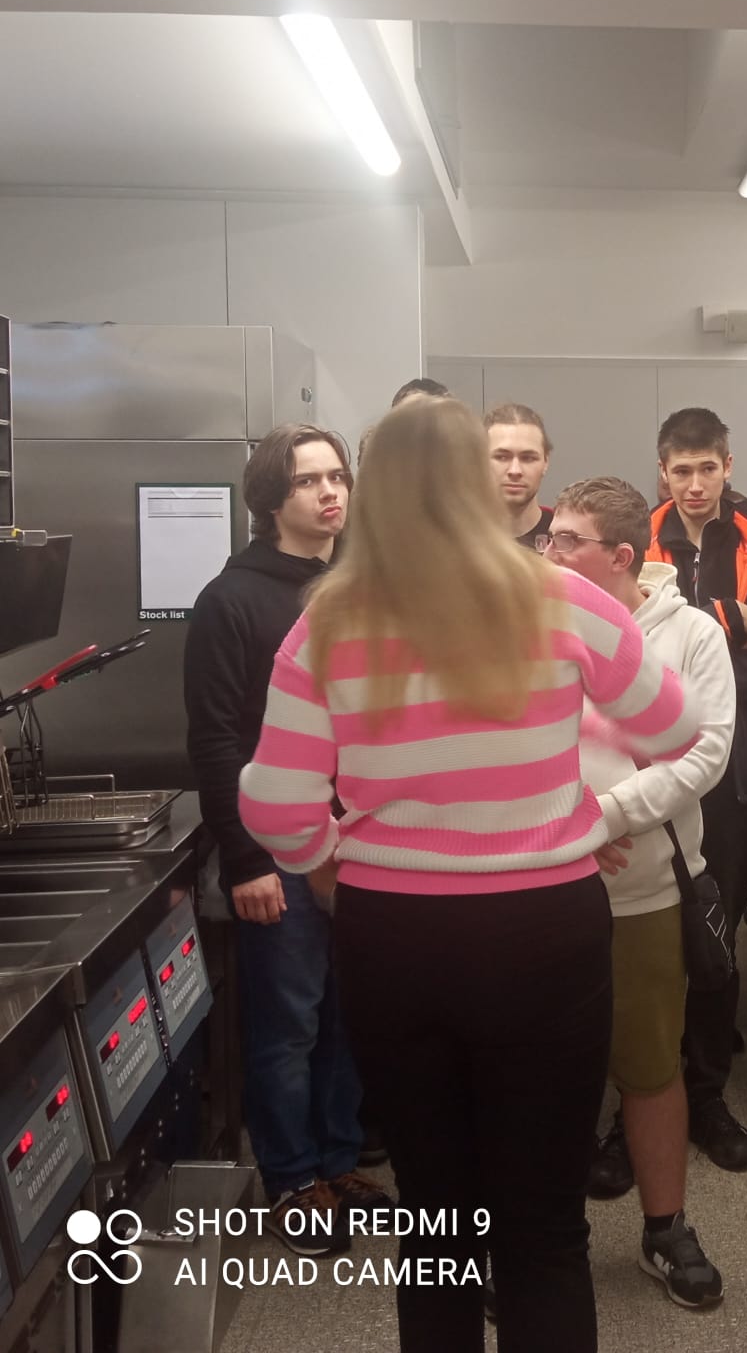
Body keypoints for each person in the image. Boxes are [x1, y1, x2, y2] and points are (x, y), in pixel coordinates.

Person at [237, 398, 705, 1353]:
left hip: (394, 937)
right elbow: (676, 726)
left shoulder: (328, 621)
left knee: (435, 1223)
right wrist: (571, 783)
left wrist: (327, 867)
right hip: (546, 932)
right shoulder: (563, 599)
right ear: (476, 482)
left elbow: (276, 805)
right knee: (544, 1227)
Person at [184, 424, 388, 1250]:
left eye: (338, 476)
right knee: (288, 1023)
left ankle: (338, 1159)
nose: (332, 492)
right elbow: (216, 742)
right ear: (271, 498)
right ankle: (294, 1180)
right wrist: (246, 859)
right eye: (310, 481)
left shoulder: (358, 587)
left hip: (358, 844)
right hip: (276, 851)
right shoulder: (230, 601)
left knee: (348, 1014)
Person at [543, 478, 733, 1310]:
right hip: (542, 882)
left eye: (567, 540)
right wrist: (564, 820)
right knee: (543, 1074)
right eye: (549, 537)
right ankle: (547, 1238)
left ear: (621, 556)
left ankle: (666, 1229)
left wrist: (607, 815)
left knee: (652, 1067)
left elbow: (706, 752)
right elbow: (507, 736)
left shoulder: (691, 635)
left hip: (645, 889)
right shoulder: (533, 628)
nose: (548, 553)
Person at [632, 407, 747, 1174]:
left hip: (733, 772)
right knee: (645, 938)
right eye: (680, 470)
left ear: (728, 466)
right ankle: (637, 1100)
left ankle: (706, 1094)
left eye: (707, 469)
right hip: (642, 768)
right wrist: (727, 618)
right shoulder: (635, 539)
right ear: (662, 471)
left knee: (716, 936)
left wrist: (686, 673)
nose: (694, 485)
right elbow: (623, 656)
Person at [486, 402, 555, 550]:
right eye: (502, 457)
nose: (515, 470)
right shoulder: (454, 540)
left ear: (546, 462)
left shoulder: (566, 541)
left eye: (528, 458)